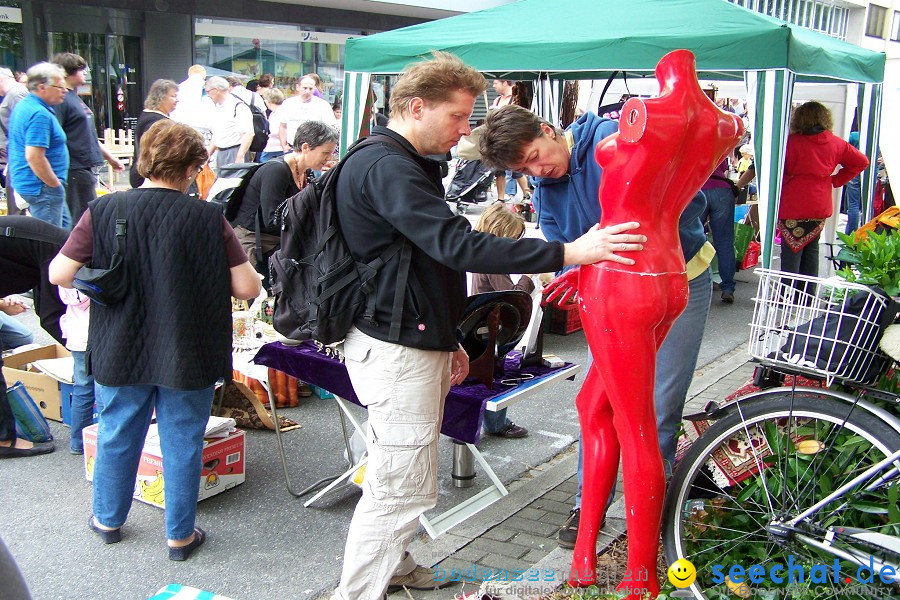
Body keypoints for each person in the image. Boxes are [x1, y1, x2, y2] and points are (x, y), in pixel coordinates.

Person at [329, 51, 645, 600]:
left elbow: (421, 263)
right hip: (395, 348)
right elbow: (453, 246)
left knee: (399, 473)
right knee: (399, 489)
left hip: (412, 339)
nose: (463, 132)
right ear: (417, 107)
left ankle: (396, 565)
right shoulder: (387, 166)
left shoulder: (403, 163)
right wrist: (570, 251)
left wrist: (449, 337)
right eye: (458, 118)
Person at [479, 104, 714, 552]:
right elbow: (563, 245)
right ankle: (589, 502)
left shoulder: (615, 139)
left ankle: (651, 508)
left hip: (678, 282)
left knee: (659, 405)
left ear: (548, 130)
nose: (537, 169)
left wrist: (609, 243)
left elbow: (683, 199)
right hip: (615, 301)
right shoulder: (545, 188)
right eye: (523, 168)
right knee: (597, 407)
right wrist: (573, 265)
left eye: (534, 154)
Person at [48, 120, 261, 559]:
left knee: (117, 431)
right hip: (189, 348)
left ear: (144, 160)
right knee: (182, 439)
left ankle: (108, 520)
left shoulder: (104, 210)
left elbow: (59, 273)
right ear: (191, 169)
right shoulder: (208, 218)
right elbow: (247, 288)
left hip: (121, 344)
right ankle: (179, 536)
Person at [0, 214, 70, 459]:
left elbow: (46, 311)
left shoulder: (57, 246)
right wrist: (82, 349)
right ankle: (4, 439)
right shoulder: (58, 250)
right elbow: (52, 317)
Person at [230, 120, 337, 272]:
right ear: (305, 147)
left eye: (332, 152)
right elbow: (273, 219)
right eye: (325, 153)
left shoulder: (306, 173)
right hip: (255, 243)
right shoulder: (276, 171)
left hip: (278, 242)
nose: (329, 158)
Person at [779, 101, 868, 277]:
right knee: (812, 249)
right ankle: (808, 296)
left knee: (791, 252)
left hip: (792, 201)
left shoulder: (789, 142)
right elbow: (862, 162)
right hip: (819, 201)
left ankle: (787, 296)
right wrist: (835, 180)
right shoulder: (836, 143)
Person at [470, 203, 533, 439]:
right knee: (493, 376)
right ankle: (497, 423)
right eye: (514, 238)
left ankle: (469, 425)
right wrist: (530, 278)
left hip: (472, 323)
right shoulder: (493, 260)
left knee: (472, 378)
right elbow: (513, 298)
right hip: (489, 329)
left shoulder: (475, 249)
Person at [51, 53, 125, 224]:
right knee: (80, 219)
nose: (85, 73)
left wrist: (110, 158)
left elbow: (88, 134)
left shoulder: (76, 99)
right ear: (67, 72)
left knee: (88, 216)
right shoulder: (61, 101)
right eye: (80, 69)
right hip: (74, 168)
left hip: (85, 167)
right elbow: (55, 136)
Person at [6, 62, 69, 227]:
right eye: (60, 86)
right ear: (42, 87)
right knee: (50, 243)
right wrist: (54, 185)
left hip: (38, 186)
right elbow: (34, 157)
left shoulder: (26, 106)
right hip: (42, 187)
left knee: (63, 235)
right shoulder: (38, 113)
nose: (65, 90)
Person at [57, 287, 94, 455]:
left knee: (82, 389)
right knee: (103, 391)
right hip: (97, 333)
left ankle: (78, 442)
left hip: (77, 334)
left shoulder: (62, 269)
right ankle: (97, 444)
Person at [129, 79, 178, 188]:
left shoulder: (148, 117)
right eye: (173, 96)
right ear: (160, 97)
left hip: (144, 175)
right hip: (150, 178)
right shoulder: (156, 122)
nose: (177, 100)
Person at [700, 159, 737, 303]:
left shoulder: (690, 141)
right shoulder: (718, 140)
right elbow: (724, 168)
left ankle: (696, 283)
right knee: (724, 242)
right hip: (722, 189)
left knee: (694, 238)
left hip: (699, 188)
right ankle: (727, 288)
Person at [204, 76, 254, 173]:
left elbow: (248, 133)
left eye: (208, 91)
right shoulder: (218, 108)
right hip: (221, 152)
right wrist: (208, 154)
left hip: (235, 151)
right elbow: (218, 134)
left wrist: (240, 156)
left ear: (216, 90)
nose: (208, 95)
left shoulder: (238, 106)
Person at [279, 75, 336, 152]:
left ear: (314, 88)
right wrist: (284, 146)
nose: (308, 91)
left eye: (311, 88)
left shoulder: (323, 105)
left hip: (314, 149)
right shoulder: (288, 104)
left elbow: (330, 128)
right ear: (297, 87)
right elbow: (283, 126)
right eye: (305, 88)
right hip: (292, 148)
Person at [0, 67, 28, 215]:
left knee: (18, 203)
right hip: (12, 153)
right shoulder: (12, 95)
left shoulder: (17, 94)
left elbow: (24, 126)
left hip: (17, 154)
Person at [170, 64, 208, 136]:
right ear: (204, 75)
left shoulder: (179, 87)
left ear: (189, 74)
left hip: (179, 126)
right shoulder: (205, 87)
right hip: (200, 129)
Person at [258, 88, 287, 163]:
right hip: (275, 147)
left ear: (268, 101)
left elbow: (275, 131)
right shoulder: (274, 113)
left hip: (275, 148)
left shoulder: (279, 113)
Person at [844, 131, 863, 234]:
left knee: (853, 204)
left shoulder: (853, 136)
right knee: (867, 203)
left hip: (854, 171)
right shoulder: (876, 134)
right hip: (871, 170)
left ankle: (851, 233)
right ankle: (867, 229)